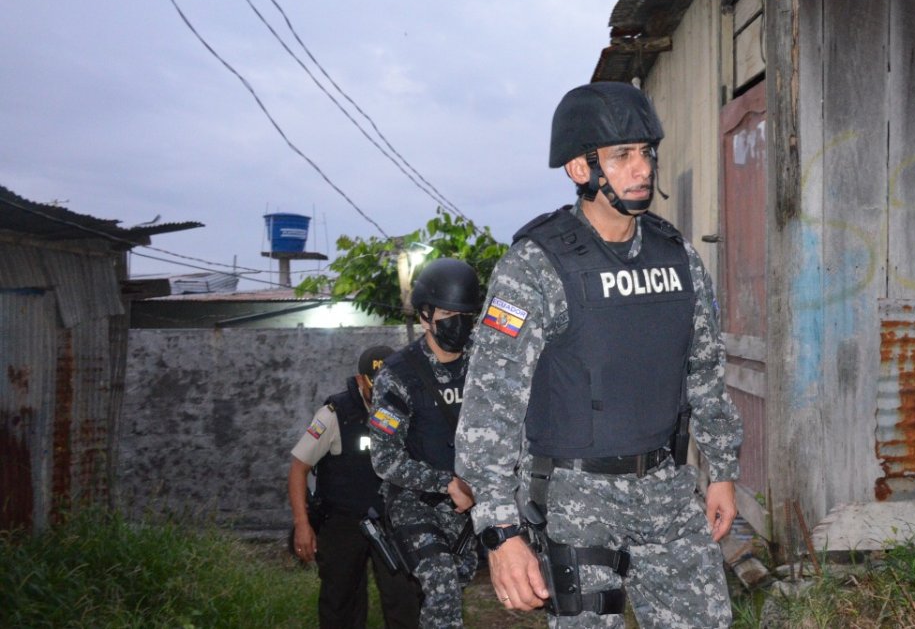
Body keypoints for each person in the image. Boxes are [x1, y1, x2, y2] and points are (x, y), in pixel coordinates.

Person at [455, 81, 744, 627]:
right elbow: (489, 407)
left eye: (645, 153)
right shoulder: (535, 266)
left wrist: (723, 469)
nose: (641, 169)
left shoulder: (677, 256)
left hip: (666, 486)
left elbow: (704, 369)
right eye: (621, 156)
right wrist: (501, 533)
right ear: (579, 169)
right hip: (574, 499)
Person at [369, 258, 483, 629]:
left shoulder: (484, 365)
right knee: (442, 583)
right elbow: (385, 459)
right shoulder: (399, 375)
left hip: (477, 501)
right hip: (417, 504)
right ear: (425, 315)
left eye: (466, 314)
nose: (459, 323)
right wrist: (448, 483)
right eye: (449, 313)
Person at [288, 345, 422, 629]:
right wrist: (302, 524)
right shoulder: (335, 414)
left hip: (394, 521)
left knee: (405, 601)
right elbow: (298, 469)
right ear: (361, 380)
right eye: (377, 386)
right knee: (340, 604)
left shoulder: (410, 409)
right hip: (343, 522)